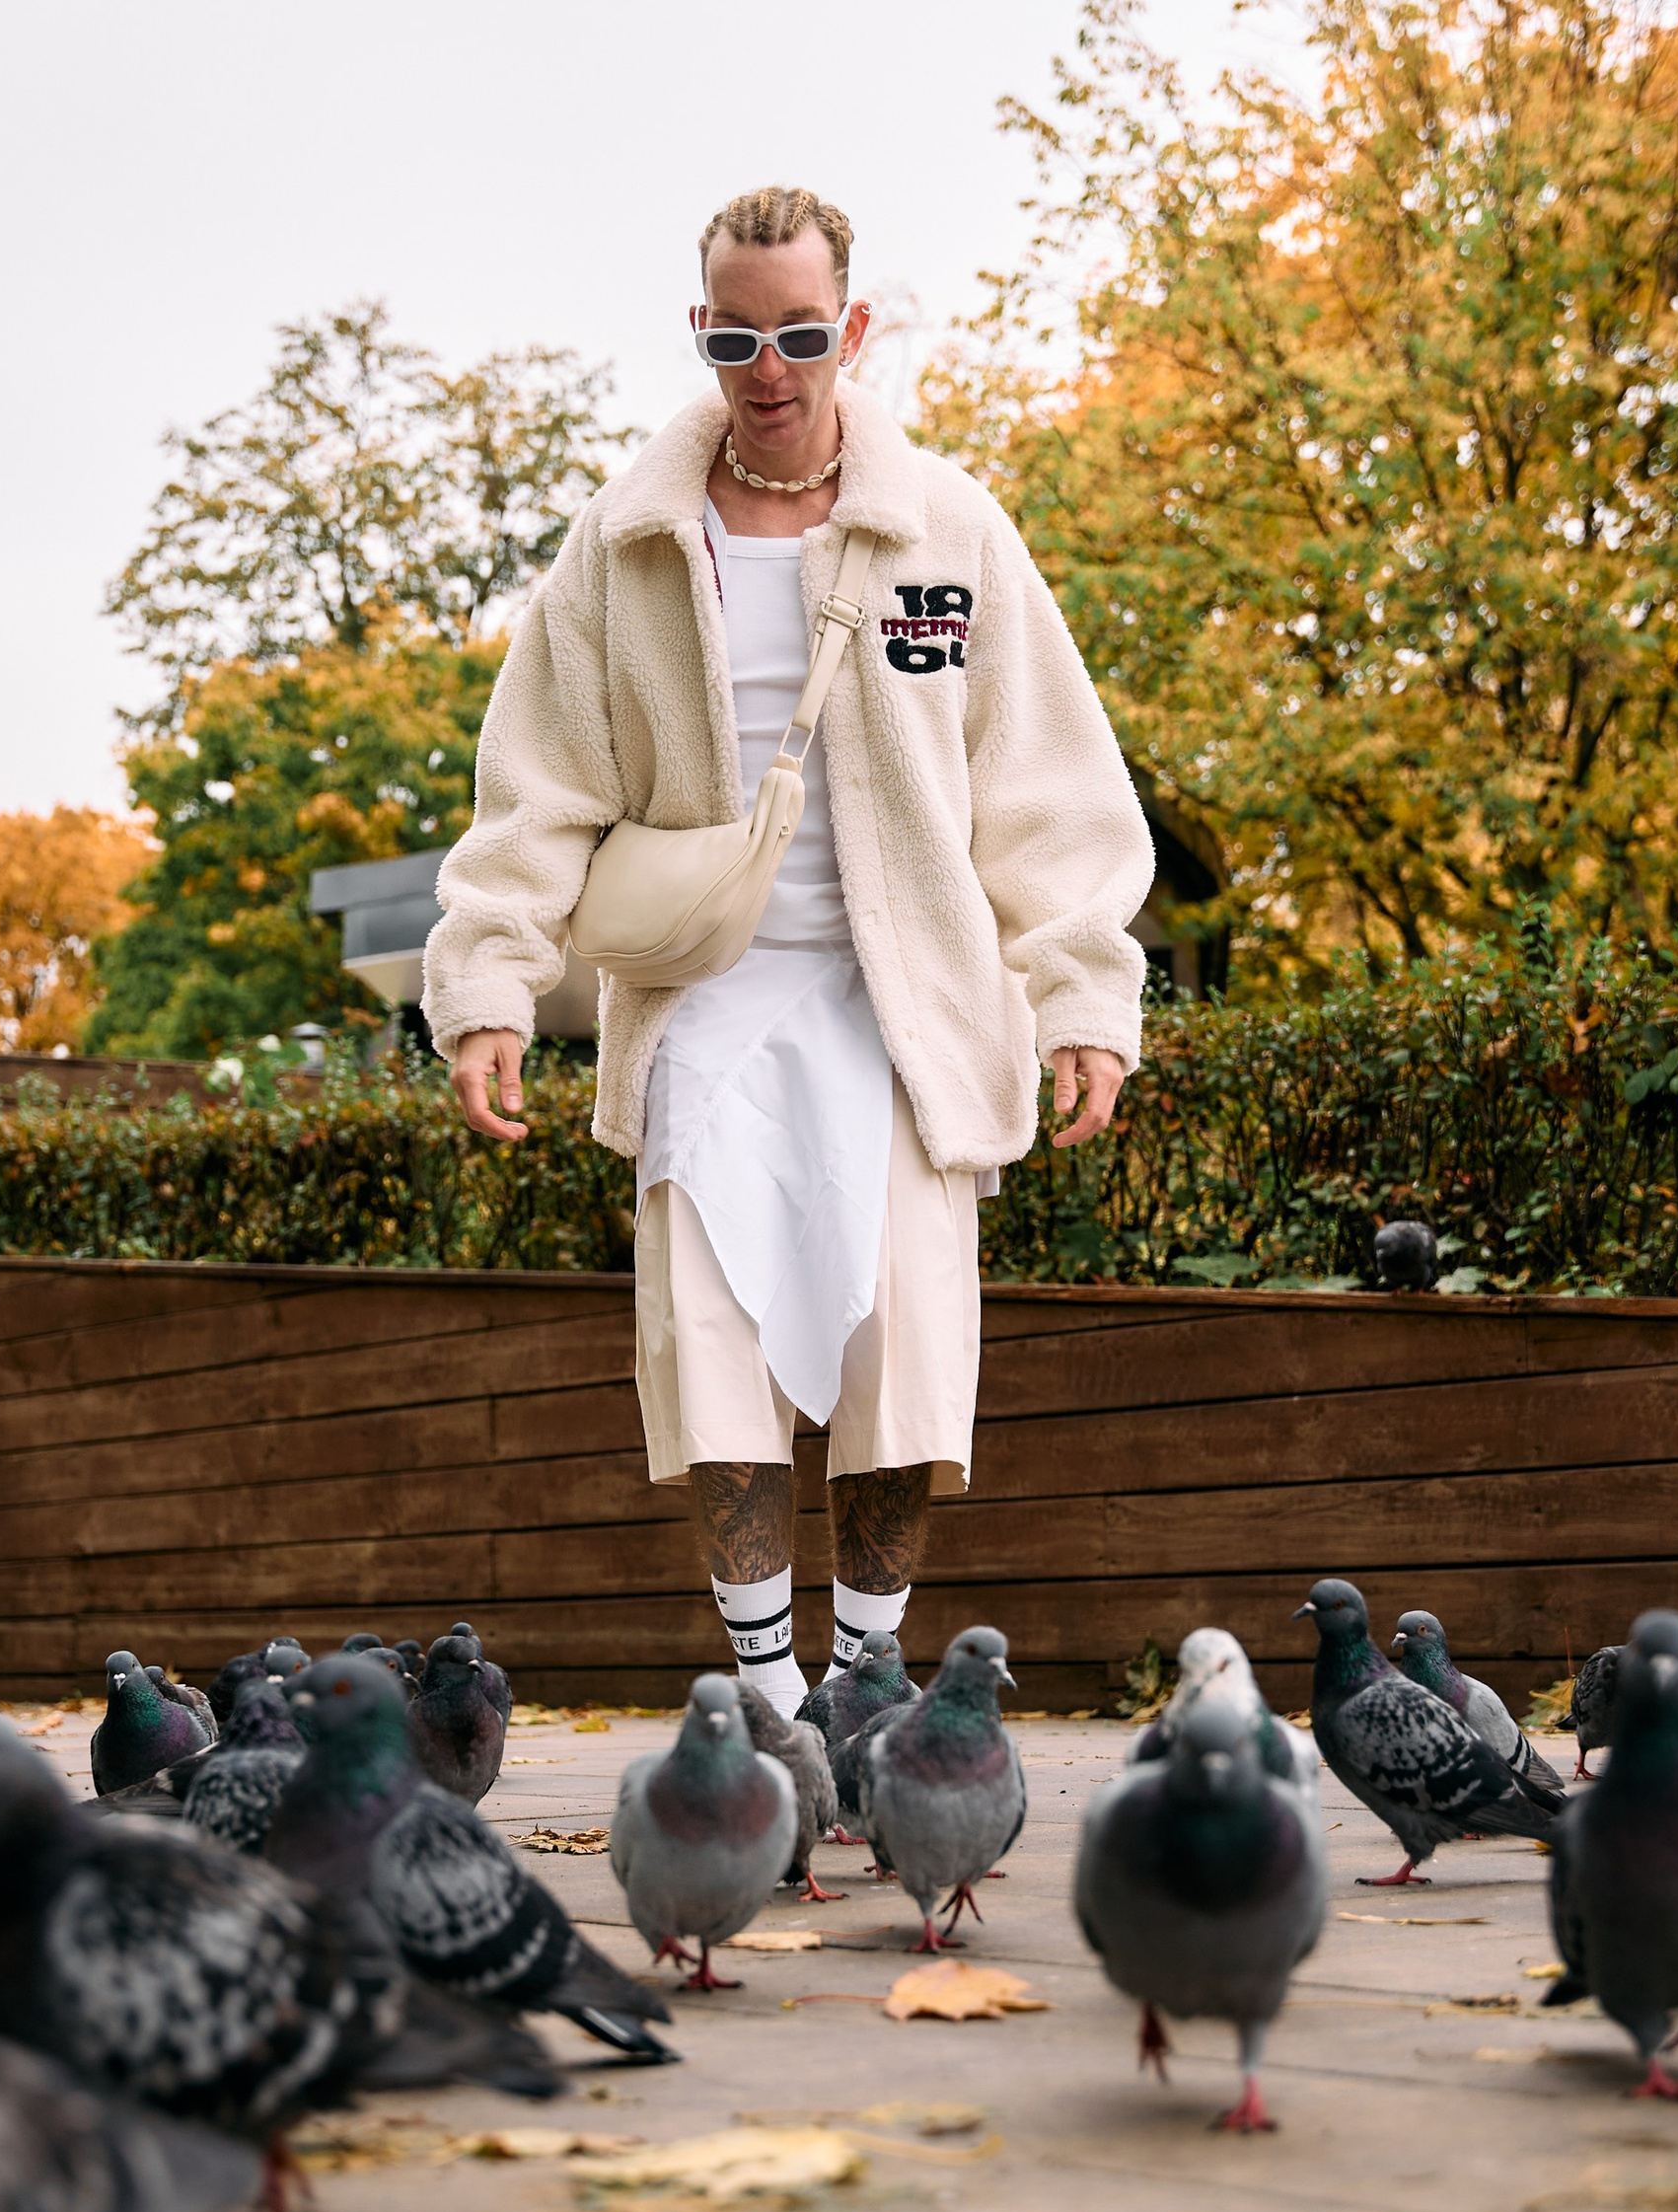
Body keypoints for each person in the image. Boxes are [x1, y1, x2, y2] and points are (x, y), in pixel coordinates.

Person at [423, 184, 1152, 1719]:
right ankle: (765, 1693)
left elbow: (1044, 784)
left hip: (907, 1002)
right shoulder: (623, 546)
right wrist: (490, 976)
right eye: (738, 338)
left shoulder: (949, 530)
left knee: (902, 1348)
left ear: (853, 330)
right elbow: (538, 781)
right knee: (714, 1345)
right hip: (705, 996)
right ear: (701, 331)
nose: (770, 368)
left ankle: (867, 1684)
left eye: (803, 336)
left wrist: (1081, 989)